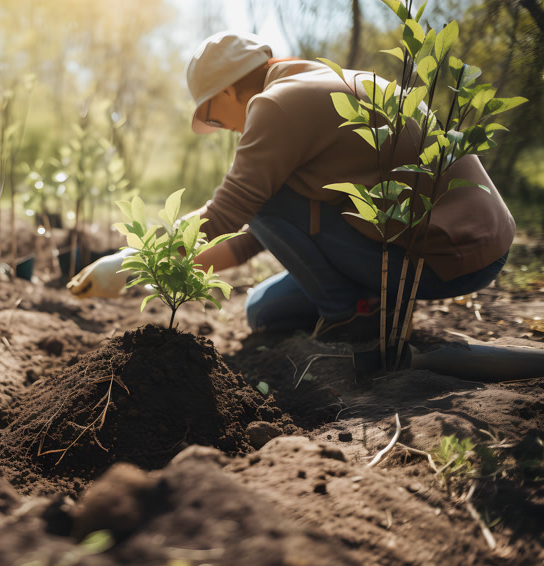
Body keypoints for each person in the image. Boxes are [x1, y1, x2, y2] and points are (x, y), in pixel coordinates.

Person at [67, 31, 515, 340]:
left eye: (210, 115)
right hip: (459, 248)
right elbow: (250, 239)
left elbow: (230, 214)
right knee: (263, 310)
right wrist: (161, 275)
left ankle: (354, 318)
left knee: (255, 199)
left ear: (226, 91)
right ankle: (358, 307)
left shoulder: (278, 104)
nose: (220, 127)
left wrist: (131, 259)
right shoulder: (313, 85)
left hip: (446, 257)